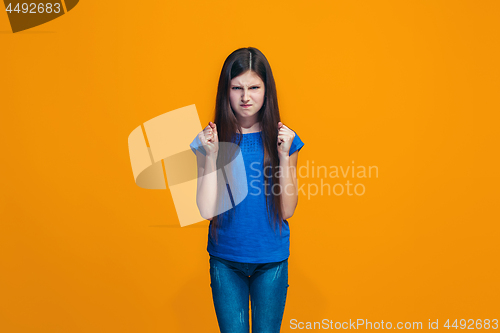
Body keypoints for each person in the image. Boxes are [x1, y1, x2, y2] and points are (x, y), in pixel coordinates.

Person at [189, 47, 304, 333]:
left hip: (271, 259)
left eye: (254, 87)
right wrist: (213, 156)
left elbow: (288, 209)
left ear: (267, 91)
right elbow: (206, 211)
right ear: (225, 91)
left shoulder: (284, 140)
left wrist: (283, 156)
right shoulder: (209, 141)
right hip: (226, 260)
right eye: (236, 87)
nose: (245, 97)